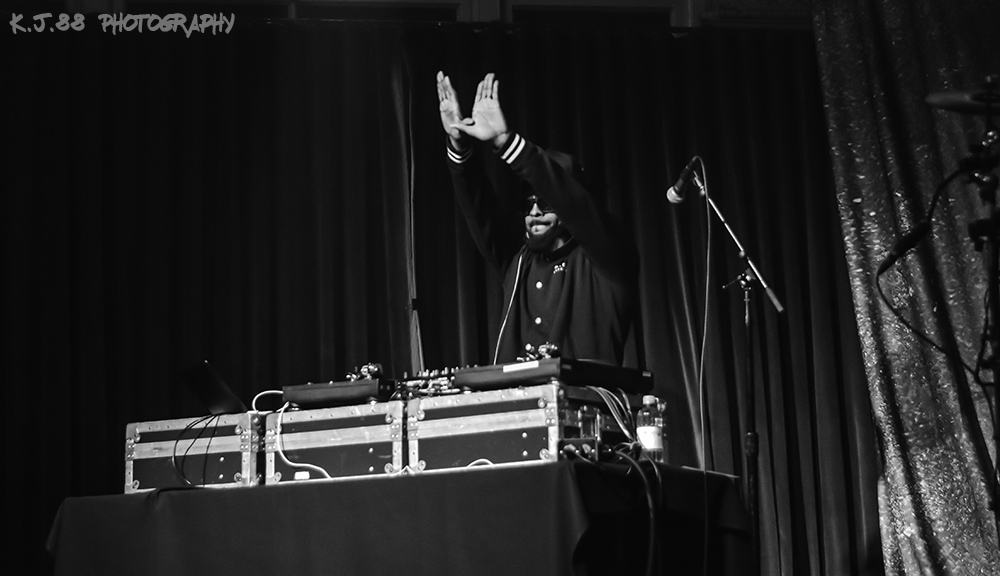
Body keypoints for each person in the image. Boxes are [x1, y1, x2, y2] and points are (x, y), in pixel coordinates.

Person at [436, 71, 638, 366]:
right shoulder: (519, 262)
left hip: (583, 395)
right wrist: (459, 145)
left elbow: (573, 203)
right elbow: (480, 213)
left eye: (544, 202)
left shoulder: (606, 259)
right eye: (527, 204)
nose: (533, 212)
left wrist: (505, 141)